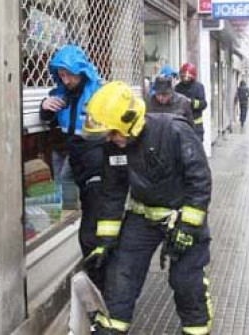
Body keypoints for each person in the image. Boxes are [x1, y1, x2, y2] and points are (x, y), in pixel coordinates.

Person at [82, 81, 214, 335]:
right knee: (121, 274)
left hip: (181, 217)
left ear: (130, 121)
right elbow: (112, 193)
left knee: (186, 280)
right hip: (143, 216)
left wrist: (188, 227)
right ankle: (112, 328)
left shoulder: (174, 131)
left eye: (113, 132)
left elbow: (200, 182)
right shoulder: (114, 147)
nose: (110, 139)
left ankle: (197, 328)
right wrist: (105, 242)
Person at [38, 44, 107, 292]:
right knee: (69, 205)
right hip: (70, 158)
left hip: (96, 163)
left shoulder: (99, 92)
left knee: (93, 219)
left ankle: (99, 271)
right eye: (62, 75)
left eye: (69, 74)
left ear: (81, 71)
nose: (66, 80)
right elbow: (48, 119)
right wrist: (44, 107)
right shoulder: (59, 94)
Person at [174, 63, 208, 140]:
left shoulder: (198, 87)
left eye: (188, 77)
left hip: (196, 126)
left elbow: (204, 104)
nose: (185, 79)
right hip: (182, 125)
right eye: (183, 76)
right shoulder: (177, 88)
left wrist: (191, 102)